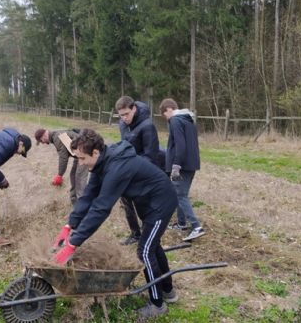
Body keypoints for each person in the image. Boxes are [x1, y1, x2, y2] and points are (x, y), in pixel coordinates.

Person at [52, 129, 178, 320]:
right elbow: (88, 197)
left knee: (145, 250)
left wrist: (73, 243)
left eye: (82, 158)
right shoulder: (100, 164)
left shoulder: (117, 168)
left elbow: (101, 208)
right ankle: (168, 291)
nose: (81, 163)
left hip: (161, 203)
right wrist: (70, 225)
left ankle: (157, 305)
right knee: (153, 246)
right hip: (147, 201)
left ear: (95, 152)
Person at [115, 96, 166, 246]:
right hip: (129, 168)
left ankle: (147, 234)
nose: (124, 118)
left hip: (145, 169)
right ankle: (135, 233)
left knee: (143, 203)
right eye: (121, 115)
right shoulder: (123, 125)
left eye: (126, 114)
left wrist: (135, 168)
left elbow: (151, 154)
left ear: (134, 109)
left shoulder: (147, 126)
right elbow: (125, 145)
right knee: (125, 200)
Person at [159, 98, 205, 241]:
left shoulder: (175, 120)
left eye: (164, 115)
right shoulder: (188, 120)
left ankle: (196, 226)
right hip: (192, 163)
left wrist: (176, 165)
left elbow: (180, 144)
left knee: (180, 195)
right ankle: (181, 223)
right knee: (180, 193)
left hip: (182, 165)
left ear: (169, 109)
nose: (166, 119)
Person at [34, 128, 89, 205]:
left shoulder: (57, 138)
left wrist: (59, 175)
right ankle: (74, 199)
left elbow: (63, 158)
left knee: (79, 178)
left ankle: (83, 203)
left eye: (41, 141)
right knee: (73, 175)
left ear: (43, 136)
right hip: (79, 154)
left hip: (85, 153)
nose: (42, 143)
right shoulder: (56, 135)